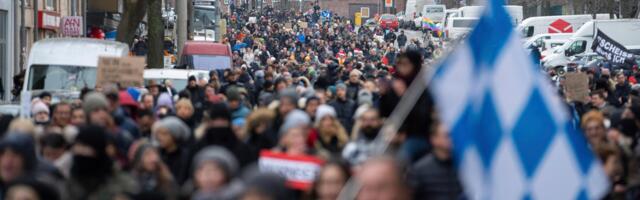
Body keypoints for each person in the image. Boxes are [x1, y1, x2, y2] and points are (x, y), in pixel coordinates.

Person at [65, 125, 139, 200]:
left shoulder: (120, 181)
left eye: (84, 146)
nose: (79, 150)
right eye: (77, 145)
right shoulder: (67, 177)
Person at [410, 122, 463, 199]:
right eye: (447, 136)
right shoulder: (420, 170)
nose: (453, 139)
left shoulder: (464, 166)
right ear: (434, 139)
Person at [152, 116, 191, 184]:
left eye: (165, 134)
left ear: (174, 135)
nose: (160, 137)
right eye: (159, 133)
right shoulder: (157, 153)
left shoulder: (185, 156)